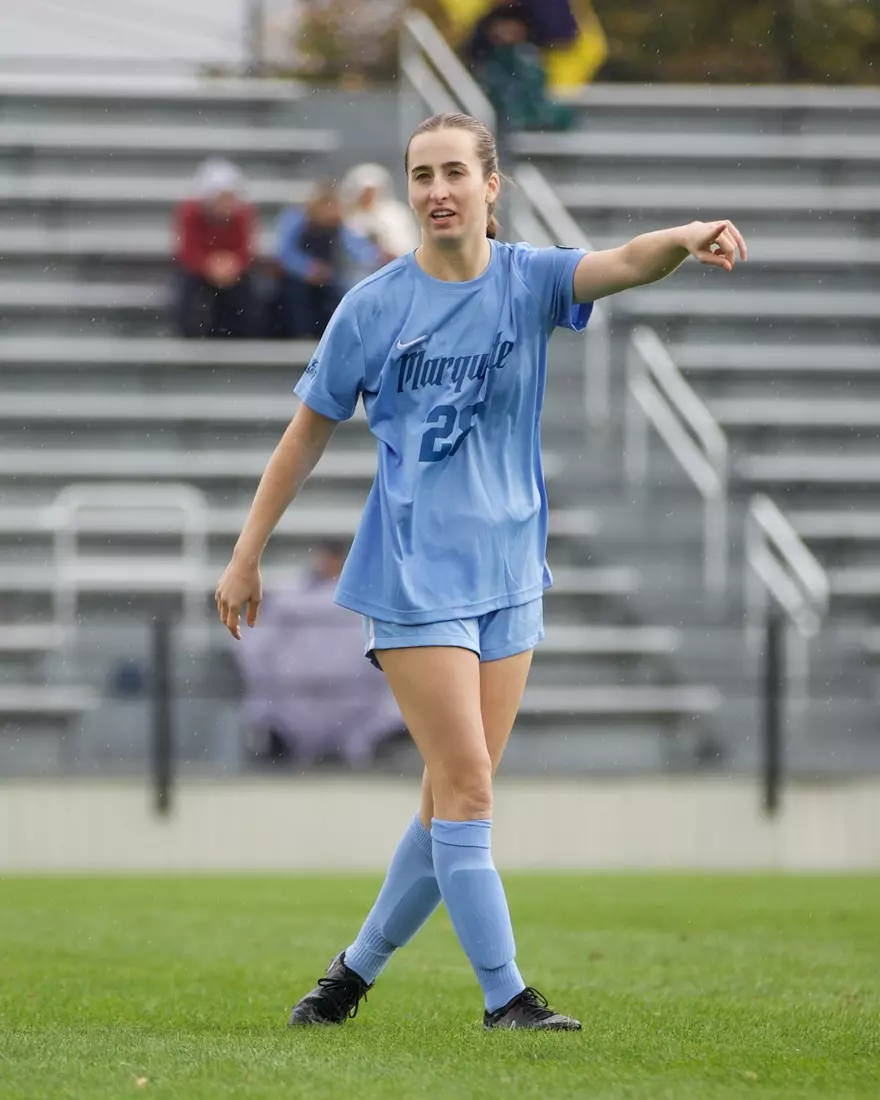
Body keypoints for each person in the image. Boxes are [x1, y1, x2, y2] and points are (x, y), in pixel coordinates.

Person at [214, 111, 746, 1031]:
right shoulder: (373, 305)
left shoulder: (527, 278)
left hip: (510, 573)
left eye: (455, 172)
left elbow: (624, 262)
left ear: (490, 186)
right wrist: (246, 551)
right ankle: (508, 998)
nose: (438, 191)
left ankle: (346, 979)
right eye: (422, 175)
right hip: (414, 574)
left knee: (446, 806)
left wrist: (687, 237)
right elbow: (305, 433)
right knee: (469, 791)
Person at [233, 541, 405, 768]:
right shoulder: (287, 597)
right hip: (292, 703)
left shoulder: (371, 597)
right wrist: (269, 684)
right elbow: (254, 647)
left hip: (361, 705)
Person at [274, 182, 381, 339]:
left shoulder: (337, 224)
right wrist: (307, 268)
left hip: (328, 276)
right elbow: (285, 252)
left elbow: (355, 247)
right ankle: (300, 336)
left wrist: (377, 256)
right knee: (297, 300)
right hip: (297, 278)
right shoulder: (296, 219)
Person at [173, 158, 256, 338]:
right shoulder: (190, 212)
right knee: (186, 287)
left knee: (246, 290)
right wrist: (208, 265)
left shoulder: (242, 214)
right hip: (200, 270)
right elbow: (187, 250)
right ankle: (189, 334)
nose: (226, 204)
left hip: (230, 270)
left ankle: (236, 334)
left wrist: (232, 265)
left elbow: (246, 248)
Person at [470, 5, 573, 134]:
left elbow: (536, 98)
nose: (507, 32)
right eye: (503, 27)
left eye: (512, 27)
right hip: (502, 126)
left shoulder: (530, 60)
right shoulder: (489, 67)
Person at [341, 162, 420, 262]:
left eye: (371, 191)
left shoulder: (395, 214)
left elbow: (406, 245)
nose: (368, 196)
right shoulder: (349, 218)